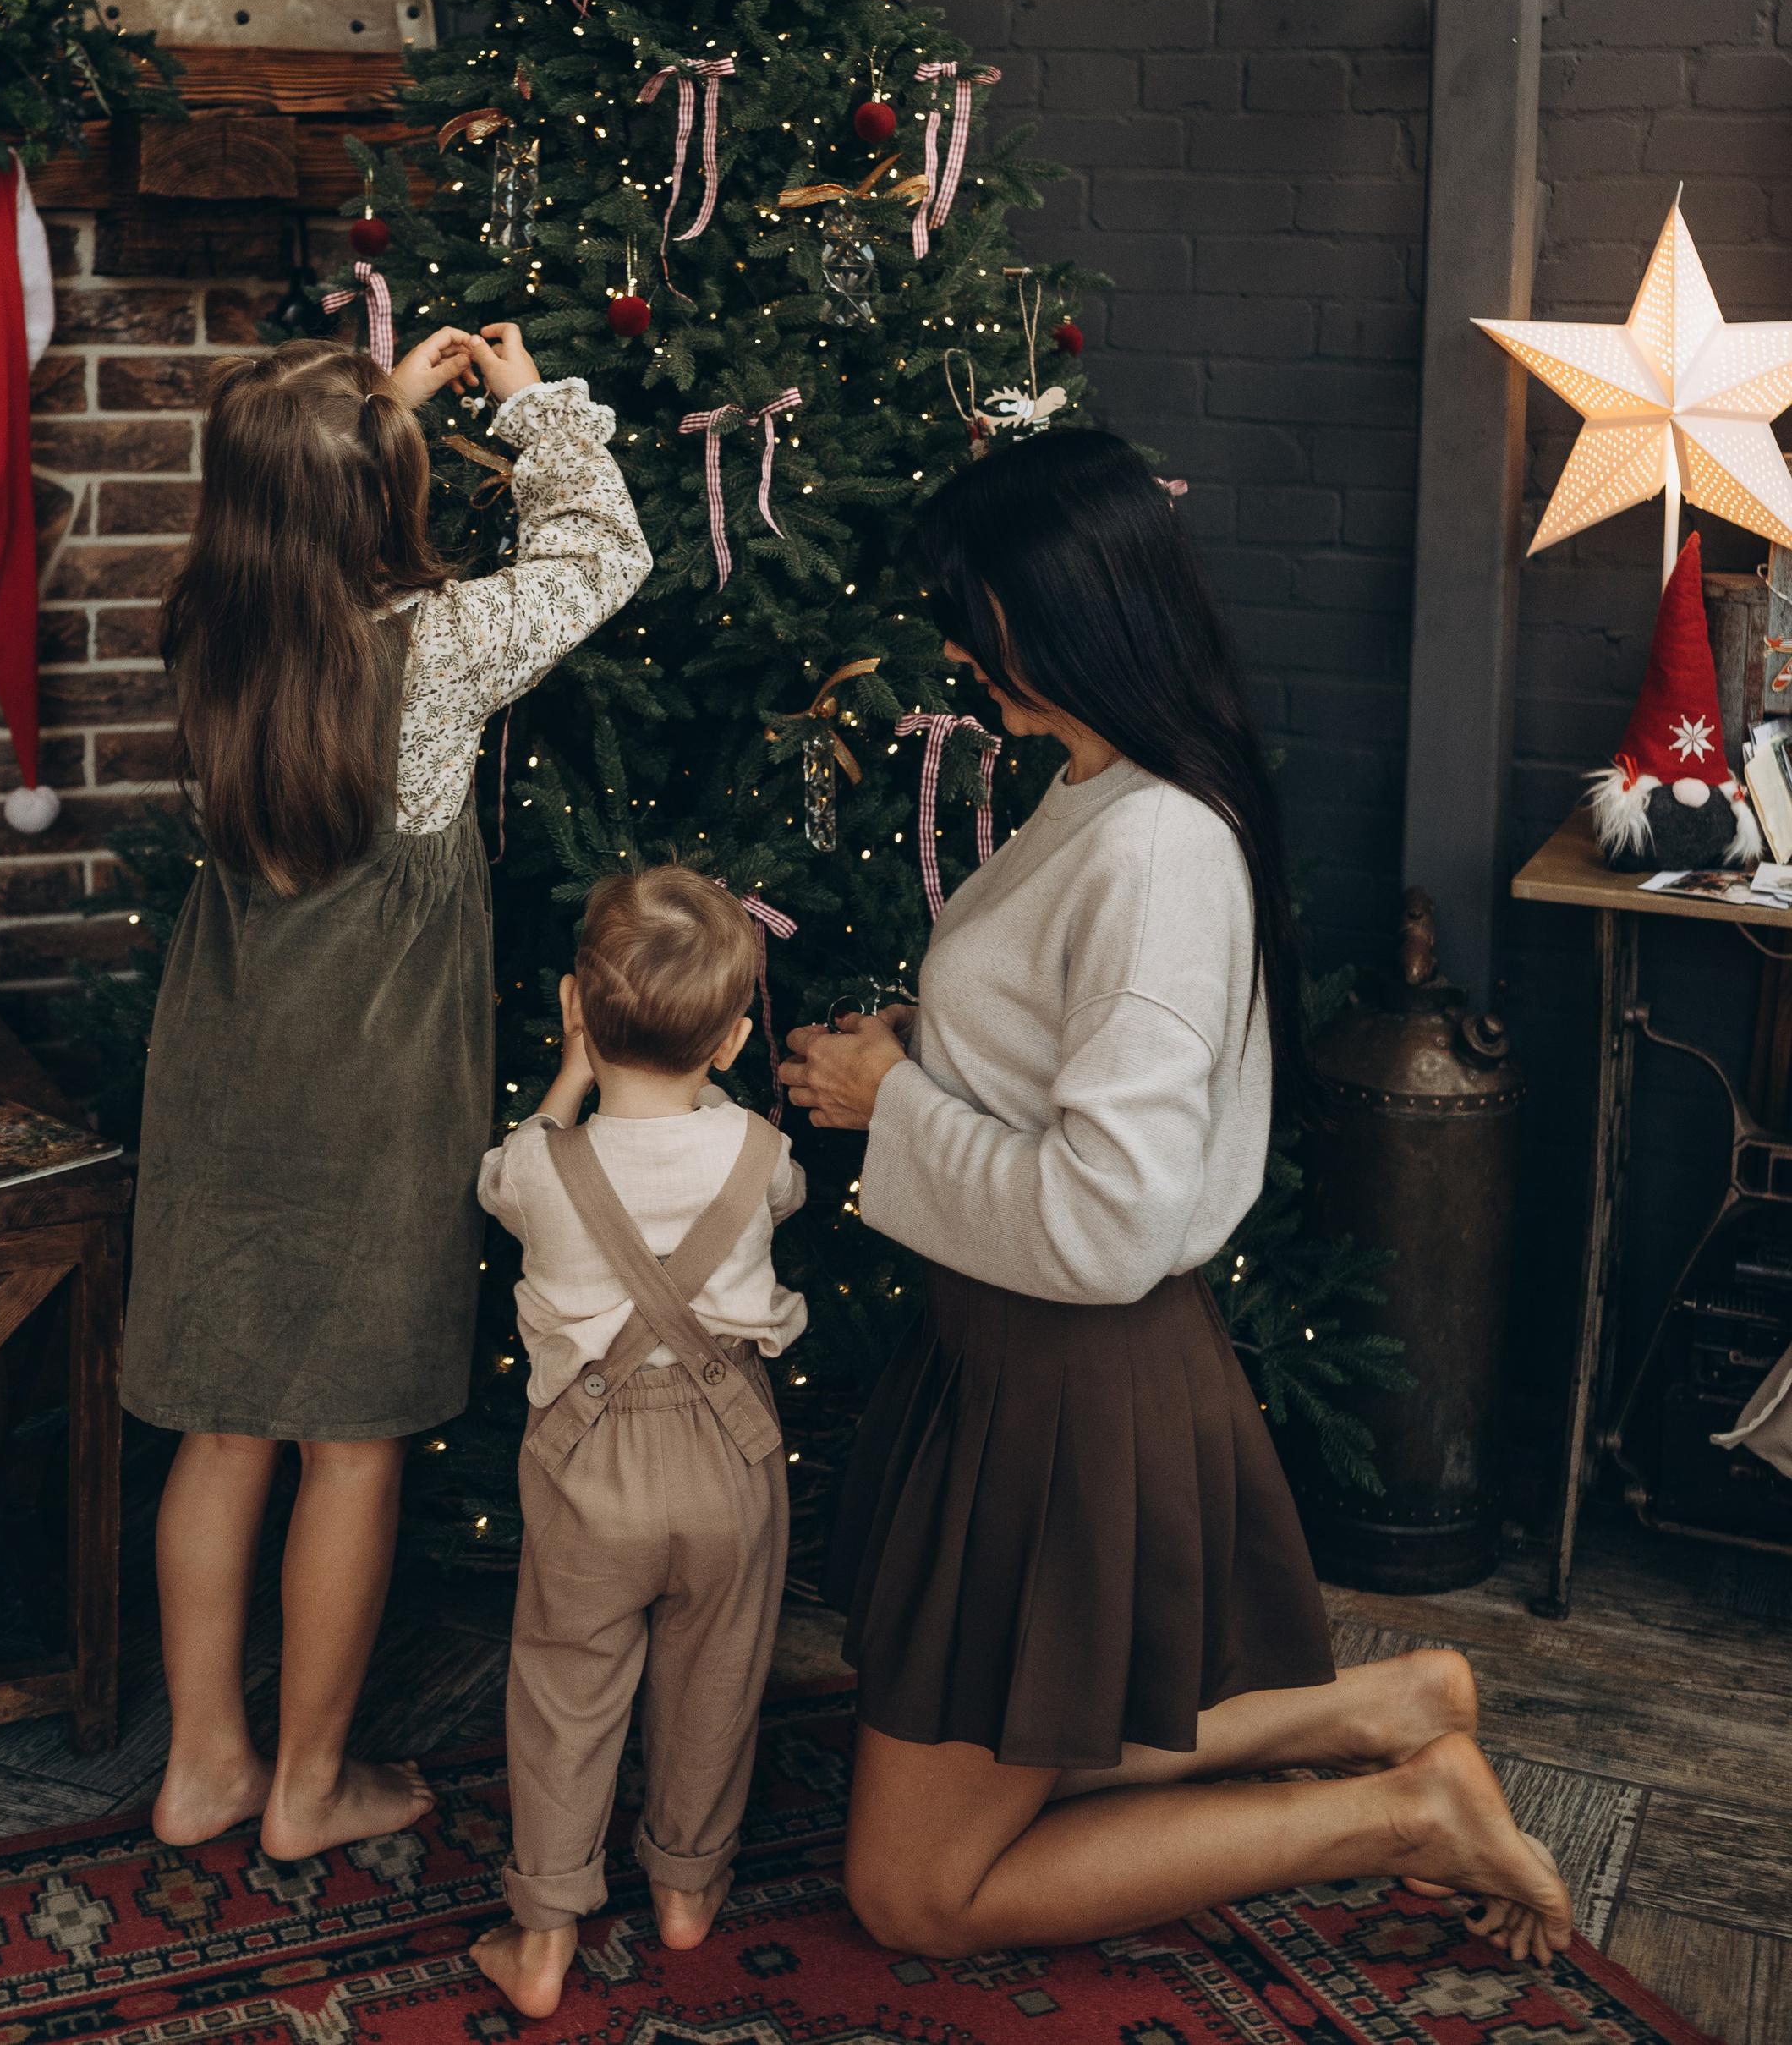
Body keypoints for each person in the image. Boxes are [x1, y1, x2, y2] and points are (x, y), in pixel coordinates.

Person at [779, 429, 1570, 1968]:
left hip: (1068, 1377)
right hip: (1014, 1358)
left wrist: (899, 1107)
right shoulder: (1103, 782)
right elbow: (1072, 1046)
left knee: (917, 1893)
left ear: (1073, 613)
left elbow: (1114, 1215)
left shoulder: (1153, 848)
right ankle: (1382, 1708)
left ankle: (1405, 1810)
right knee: (1019, 1732)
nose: (953, 648)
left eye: (979, 616)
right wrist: (924, 1046)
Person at [123, 326, 650, 1860]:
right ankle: (307, 1788)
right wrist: (528, 400)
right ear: (379, 498)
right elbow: (600, 551)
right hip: (371, 1077)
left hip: (223, 1066)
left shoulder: (204, 624)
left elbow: (285, 516)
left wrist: (367, 414)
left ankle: (202, 1766)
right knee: (349, 1440)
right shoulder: (440, 644)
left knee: (220, 1429)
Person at [469, 864, 807, 2020]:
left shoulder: (536, 1167)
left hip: (587, 1471)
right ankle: (684, 1893)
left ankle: (546, 1934)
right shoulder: (757, 1150)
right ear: (725, 1036)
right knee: (717, 1678)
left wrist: (571, 1074)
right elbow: (780, 1185)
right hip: (731, 1463)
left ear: (575, 1006)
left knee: (566, 1687)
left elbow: (501, 1179)